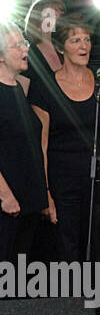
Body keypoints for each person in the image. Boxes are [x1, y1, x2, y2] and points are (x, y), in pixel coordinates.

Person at [30, 15, 100, 268]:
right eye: (75, 40)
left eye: (87, 39)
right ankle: (70, 307)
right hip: (62, 183)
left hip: (99, 183)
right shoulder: (44, 87)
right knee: (66, 252)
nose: (84, 46)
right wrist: (46, 193)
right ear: (61, 47)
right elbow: (41, 146)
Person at [0, 25, 53, 269]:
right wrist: (6, 196)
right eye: (17, 46)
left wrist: (43, 194)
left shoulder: (18, 88)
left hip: (28, 202)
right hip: (7, 205)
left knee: (18, 283)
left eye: (25, 44)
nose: (25, 50)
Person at [22, 0, 66, 103]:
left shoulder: (65, 52)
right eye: (51, 12)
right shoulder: (28, 56)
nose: (58, 16)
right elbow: (21, 98)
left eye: (59, 12)